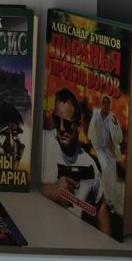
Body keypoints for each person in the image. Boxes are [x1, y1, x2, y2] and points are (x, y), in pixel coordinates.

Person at [41, 88, 112, 235]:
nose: (61, 129)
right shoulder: (41, 142)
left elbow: (102, 209)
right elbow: (20, 183)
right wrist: (52, 191)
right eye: (57, 121)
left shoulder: (89, 164)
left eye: (67, 124)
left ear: (79, 126)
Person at [88, 95, 125, 214]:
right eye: (104, 103)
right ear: (102, 104)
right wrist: (93, 143)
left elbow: (120, 138)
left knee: (112, 177)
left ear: (110, 105)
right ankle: (106, 200)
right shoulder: (96, 114)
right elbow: (90, 132)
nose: (105, 105)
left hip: (111, 152)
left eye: (107, 103)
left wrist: (115, 125)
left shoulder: (112, 118)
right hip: (99, 149)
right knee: (105, 170)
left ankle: (110, 202)